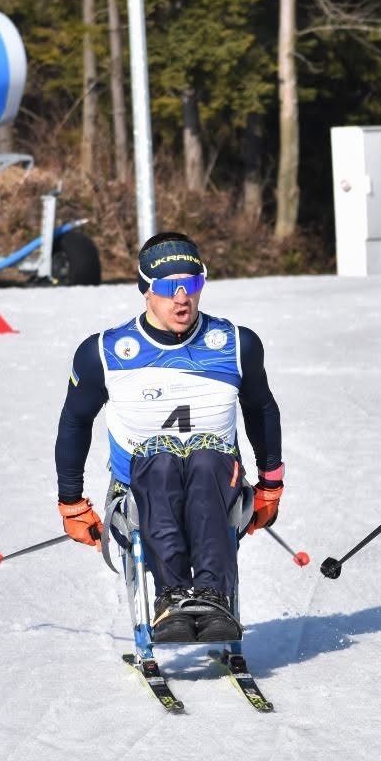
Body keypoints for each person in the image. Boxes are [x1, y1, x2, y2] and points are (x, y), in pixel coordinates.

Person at [53, 232, 285, 643]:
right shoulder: (104, 352)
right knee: (160, 460)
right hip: (139, 489)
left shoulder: (235, 344)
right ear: (145, 290)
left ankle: (212, 596)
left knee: (206, 458)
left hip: (218, 484)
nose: (182, 298)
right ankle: (172, 597)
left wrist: (271, 485)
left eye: (192, 284)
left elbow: (261, 410)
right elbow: (75, 422)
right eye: (167, 287)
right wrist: (72, 503)